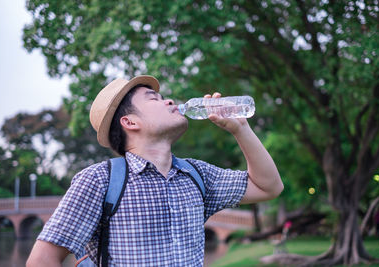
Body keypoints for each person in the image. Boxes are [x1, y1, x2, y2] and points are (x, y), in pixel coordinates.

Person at [26, 75, 283, 266]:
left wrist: (240, 129)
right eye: (154, 99)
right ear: (129, 122)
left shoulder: (197, 175)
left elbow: (268, 186)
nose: (170, 100)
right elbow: (42, 259)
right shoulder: (99, 180)